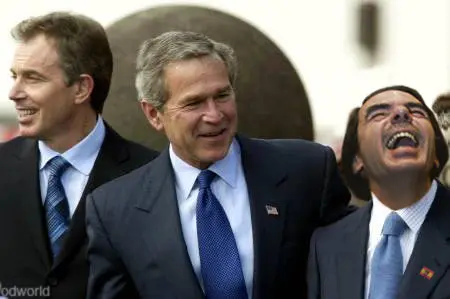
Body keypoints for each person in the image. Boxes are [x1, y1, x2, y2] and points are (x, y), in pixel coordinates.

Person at [85, 31, 351, 299]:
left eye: (222, 95)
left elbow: (351, 273)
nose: (215, 115)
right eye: (194, 103)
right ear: (154, 114)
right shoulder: (114, 210)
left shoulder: (307, 170)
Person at [0, 12, 158, 299]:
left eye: (32, 78)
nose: (14, 93)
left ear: (82, 88)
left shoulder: (153, 176)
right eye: (15, 77)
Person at [308, 85, 450, 299]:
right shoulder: (327, 245)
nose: (401, 114)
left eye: (417, 111)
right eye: (379, 113)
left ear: (436, 155)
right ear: (358, 160)